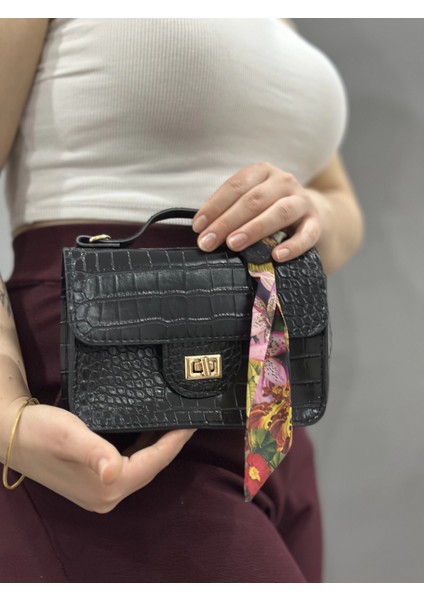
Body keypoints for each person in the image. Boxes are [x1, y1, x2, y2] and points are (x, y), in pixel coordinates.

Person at [0, 18, 363, 583]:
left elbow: (338, 201)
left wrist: (313, 211)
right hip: (100, 393)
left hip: (270, 406)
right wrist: (5, 413)